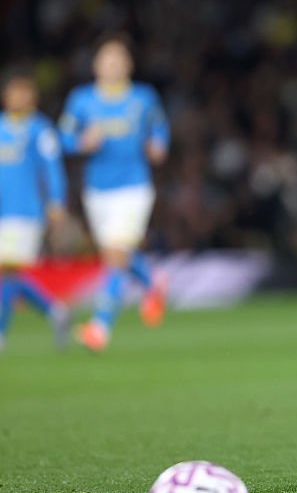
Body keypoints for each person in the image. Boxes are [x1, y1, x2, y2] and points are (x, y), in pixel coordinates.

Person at [59, 33, 170, 352]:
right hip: (97, 189)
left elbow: (160, 127)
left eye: (118, 60)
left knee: (116, 257)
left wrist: (159, 145)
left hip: (134, 185)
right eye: (107, 60)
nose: (112, 66)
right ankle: (152, 281)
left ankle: (100, 327)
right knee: (115, 255)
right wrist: (81, 143)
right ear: (96, 66)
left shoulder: (143, 98)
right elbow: (63, 137)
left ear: (129, 65)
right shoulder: (81, 100)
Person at [0, 73, 70, 351]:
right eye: (13, 92)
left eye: (23, 93)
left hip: (26, 211)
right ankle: (55, 311)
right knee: (10, 275)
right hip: (2, 211)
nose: (17, 98)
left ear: (32, 98)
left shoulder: (40, 130)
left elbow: (52, 168)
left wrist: (56, 201)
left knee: (7, 268)